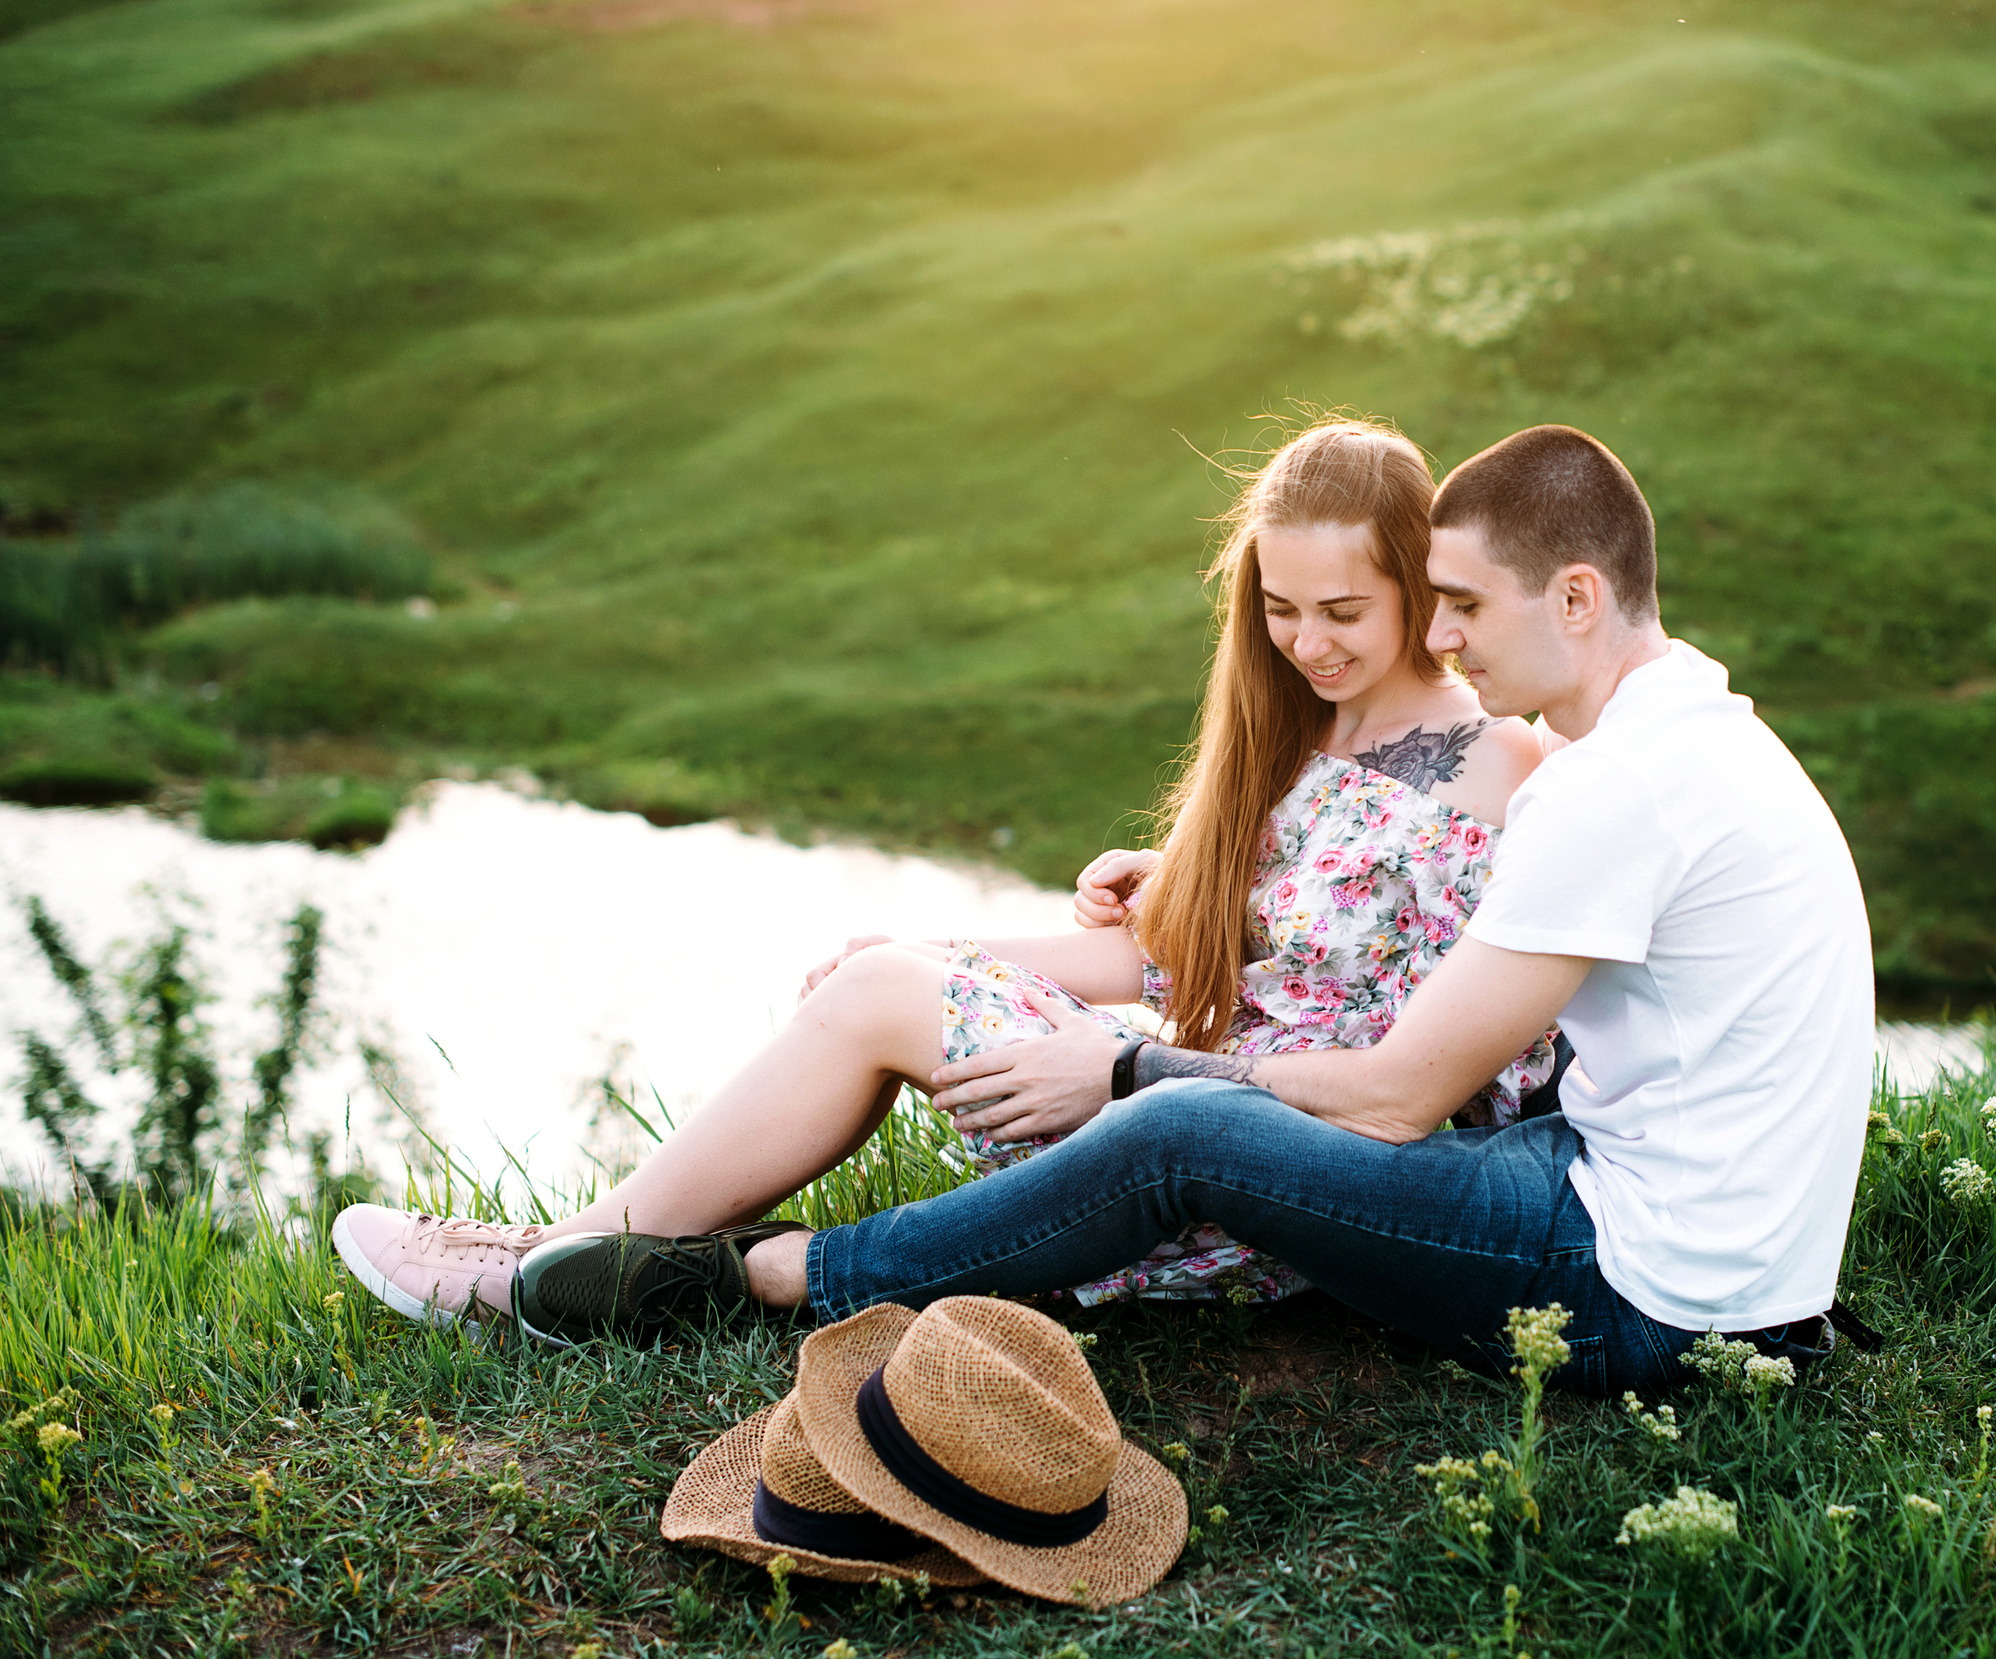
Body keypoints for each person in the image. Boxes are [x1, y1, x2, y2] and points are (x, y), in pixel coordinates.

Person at [477, 423, 1879, 1394]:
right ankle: (622, 1250)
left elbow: (1404, 1096)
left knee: (1179, 1122)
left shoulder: (1593, 786)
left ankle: (762, 1276)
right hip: (1682, 1234)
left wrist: (1137, 1054)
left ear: (1577, 595)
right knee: (1169, 1103)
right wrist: (1197, 923)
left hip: (1649, 1291)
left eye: (1459, 605)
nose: (1445, 636)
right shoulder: (1694, 736)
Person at [329, 417, 1555, 1338]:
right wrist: (928, 952)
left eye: (1344, 609)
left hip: (1280, 1173)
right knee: (878, 984)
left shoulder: (1495, 762)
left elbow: (1482, 1072)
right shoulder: (1287, 739)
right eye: (1281, 611)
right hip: (1155, 1111)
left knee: (891, 996)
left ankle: (532, 1272)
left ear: (1419, 585)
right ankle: (570, 1254)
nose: (1308, 643)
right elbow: (1151, 960)